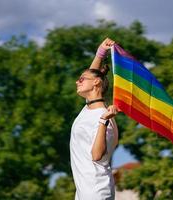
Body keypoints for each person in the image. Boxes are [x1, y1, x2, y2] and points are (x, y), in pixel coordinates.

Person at [70, 38, 119, 200]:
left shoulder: (104, 117)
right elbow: (93, 75)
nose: (78, 81)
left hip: (97, 192)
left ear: (96, 83)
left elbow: (97, 156)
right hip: (83, 192)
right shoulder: (88, 108)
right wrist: (100, 53)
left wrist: (103, 122)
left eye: (81, 79)